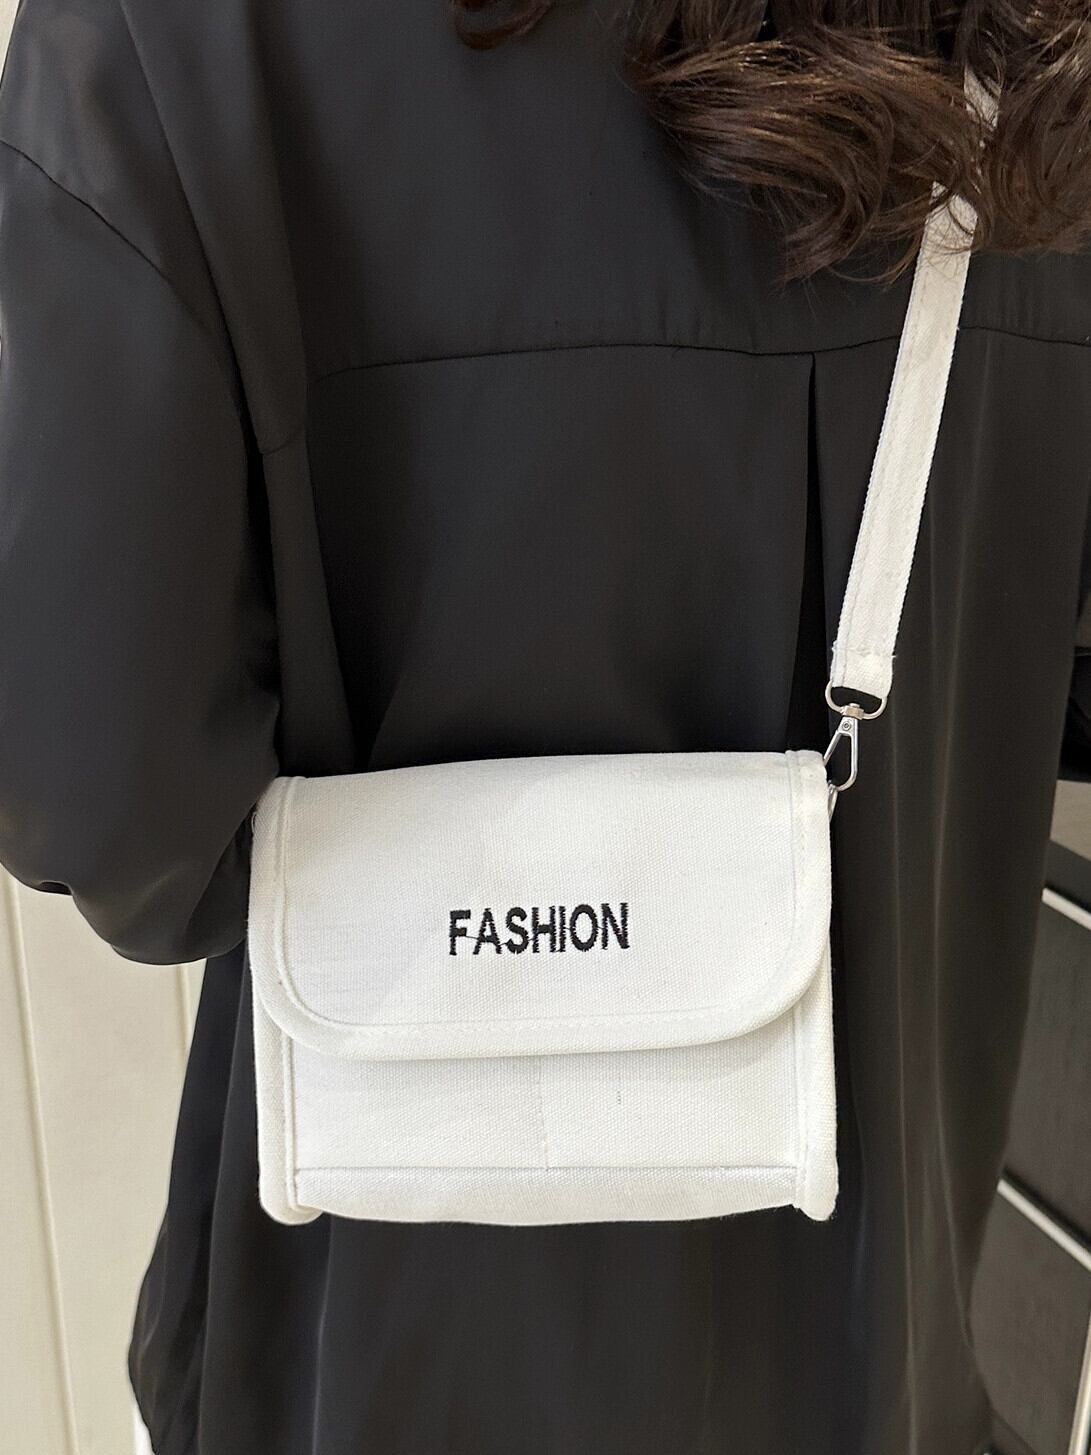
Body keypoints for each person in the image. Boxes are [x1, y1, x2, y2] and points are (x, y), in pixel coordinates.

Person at [0, 1, 1089, 1452]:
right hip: (878, 1348)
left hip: (346, 1352)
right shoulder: (1033, 52)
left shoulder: (170, 32)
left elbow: (112, 813)